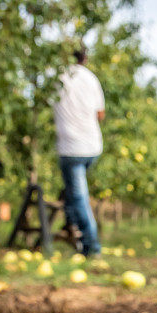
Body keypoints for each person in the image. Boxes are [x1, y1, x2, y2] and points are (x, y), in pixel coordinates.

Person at [53, 47, 104, 256]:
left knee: (79, 197)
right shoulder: (91, 78)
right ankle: (70, 225)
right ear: (84, 58)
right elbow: (100, 114)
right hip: (93, 145)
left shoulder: (57, 77)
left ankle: (92, 247)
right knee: (73, 192)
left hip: (71, 147)